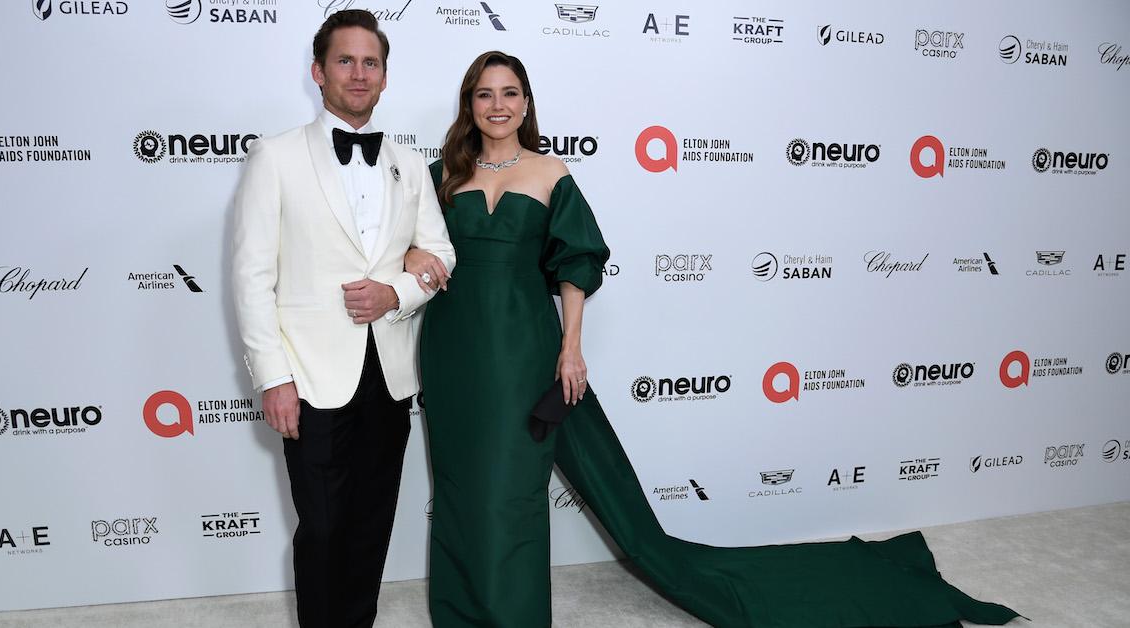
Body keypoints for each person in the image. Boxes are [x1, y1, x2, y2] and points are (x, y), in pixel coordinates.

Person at [404, 51, 1019, 627]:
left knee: (511, 492)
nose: (497, 105)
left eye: (510, 93)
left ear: (527, 103)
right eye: (485, 94)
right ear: (470, 104)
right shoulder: (442, 175)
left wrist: (570, 348)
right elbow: (411, 245)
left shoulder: (549, 172)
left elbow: (577, 264)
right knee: (459, 485)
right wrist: (410, 251)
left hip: (520, 350)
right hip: (453, 348)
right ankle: (458, 614)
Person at [231, 11, 454, 627]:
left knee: (371, 523)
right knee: (323, 527)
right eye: (345, 61)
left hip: (390, 375)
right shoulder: (274, 157)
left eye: (371, 62)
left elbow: (442, 253)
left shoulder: (409, 164)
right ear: (318, 72)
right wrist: (271, 378)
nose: (359, 74)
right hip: (309, 377)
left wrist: (398, 292)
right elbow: (252, 279)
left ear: (385, 77)